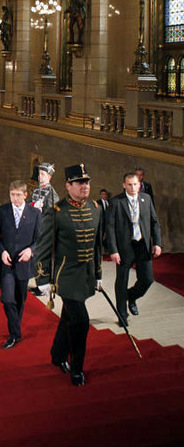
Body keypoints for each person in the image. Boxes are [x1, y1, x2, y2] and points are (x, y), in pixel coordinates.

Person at [34, 164, 102, 386]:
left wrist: (98, 274)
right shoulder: (56, 212)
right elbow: (43, 248)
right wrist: (43, 279)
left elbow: (97, 246)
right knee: (81, 322)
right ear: (68, 185)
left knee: (69, 318)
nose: (85, 186)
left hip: (86, 276)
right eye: (80, 182)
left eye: (87, 182)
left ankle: (57, 354)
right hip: (66, 277)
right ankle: (77, 368)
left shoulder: (95, 208)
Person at [106, 172, 162, 326]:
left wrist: (157, 243)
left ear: (140, 185)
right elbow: (109, 228)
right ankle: (122, 315)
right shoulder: (116, 202)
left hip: (143, 245)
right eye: (129, 184)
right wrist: (113, 250)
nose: (133, 187)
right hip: (125, 247)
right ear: (124, 185)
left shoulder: (146, 199)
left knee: (148, 279)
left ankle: (131, 296)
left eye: (135, 184)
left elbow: (154, 221)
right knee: (122, 281)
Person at [0, 180, 41, 349]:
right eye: (12, 195)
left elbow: (39, 239)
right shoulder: (2, 211)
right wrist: (2, 250)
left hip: (24, 264)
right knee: (7, 299)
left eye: (18, 195)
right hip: (6, 263)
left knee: (20, 300)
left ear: (25, 195)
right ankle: (15, 334)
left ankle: (15, 330)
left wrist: (31, 250)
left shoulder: (35, 213)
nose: (15, 198)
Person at [29, 162, 58, 295]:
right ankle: (39, 283)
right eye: (39, 174)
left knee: (43, 257)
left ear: (49, 177)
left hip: (45, 230)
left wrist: (41, 209)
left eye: (43, 174)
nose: (40, 177)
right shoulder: (36, 190)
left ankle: (44, 285)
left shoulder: (52, 193)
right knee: (36, 257)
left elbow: (53, 213)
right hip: (35, 228)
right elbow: (29, 204)